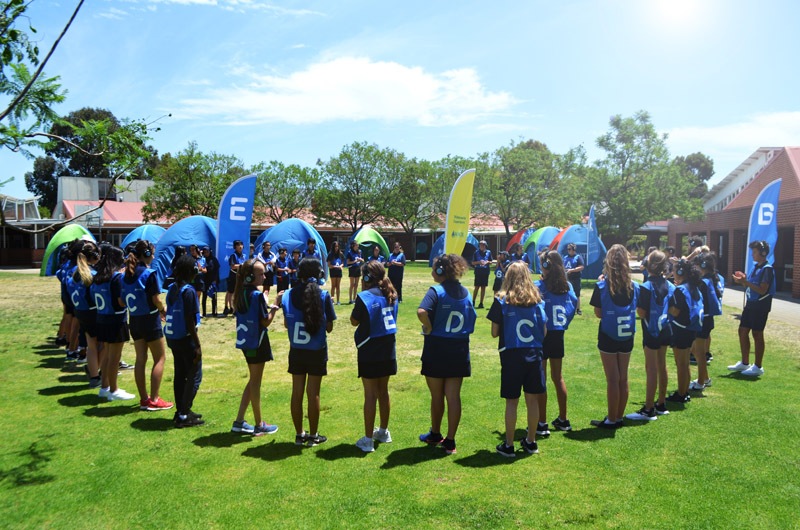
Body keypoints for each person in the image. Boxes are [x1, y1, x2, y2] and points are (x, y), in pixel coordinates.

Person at [416, 254, 476, 455]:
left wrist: (429, 327)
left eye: (434, 268)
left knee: (436, 396)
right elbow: (472, 318)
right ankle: (450, 441)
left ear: (441, 271)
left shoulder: (436, 291)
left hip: (437, 348)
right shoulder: (466, 292)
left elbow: (421, 312)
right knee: (453, 396)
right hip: (459, 349)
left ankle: (435, 433)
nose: (432, 272)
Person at [488, 261, 547, 457]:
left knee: (512, 401)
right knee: (532, 401)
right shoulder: (538, 301)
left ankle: (509, 445)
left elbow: (494, 333)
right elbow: (544, 331)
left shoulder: (501, 300)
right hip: (534, 354)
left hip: (512, 355)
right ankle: (531, 441)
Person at [280, 258, 336, 447]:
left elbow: (287, 323)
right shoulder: (323, 295)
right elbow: (329, 328)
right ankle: (313, 436)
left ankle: (299, 434)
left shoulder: (287, 295)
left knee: (297, 393)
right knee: (314, 394)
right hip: (316, 350)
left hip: (296, 350)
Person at [589, 244, 640, 428]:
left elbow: (598, 313)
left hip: (608, 335)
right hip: (627, 335)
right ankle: (618, 416)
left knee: (612, 378)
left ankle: (611, 419)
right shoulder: (634, 287)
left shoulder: (602, 286)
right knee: (623, 378)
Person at [350, 261, 398, 453]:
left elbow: (354, 321)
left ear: (367, 278)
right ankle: (384, 432)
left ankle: (368, 439)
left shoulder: (364, 297)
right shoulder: (391, 293)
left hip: (370, 349)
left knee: (370, 394)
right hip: (388, 349)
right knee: (383, 391)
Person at [121, 240, 174, 412]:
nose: (153, 255)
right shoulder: (149, 274)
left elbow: (122, 301)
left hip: (134, 321)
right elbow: (156, 300)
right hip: (150, 321)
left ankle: (144, 399)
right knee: (160, 358)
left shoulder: (126, 275)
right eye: (152, 252)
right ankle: (155, 399)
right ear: (147, 254)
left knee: (140, 359)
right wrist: (163, 309)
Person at [231, 259, 280, 436]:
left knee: (252, 381)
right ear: (250, 276)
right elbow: (265, 321)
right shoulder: (257, 295)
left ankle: (239, 421)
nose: (264, 276)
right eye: (261, 273)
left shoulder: (241, 292)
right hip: (257, 342)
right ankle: (259, 424)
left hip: (246, 341)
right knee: (255, 383)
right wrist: (275, 306)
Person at [625, 250, 674, 421]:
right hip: (665, 328)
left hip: (651, 330)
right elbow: (674, 309)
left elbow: (641, 312)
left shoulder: (645, 287)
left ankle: (648, 408)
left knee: (651, 368)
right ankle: (661, 403)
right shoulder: (670, 284)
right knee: (662, 365)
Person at [534, 250, 577, 433]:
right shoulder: (567, 286)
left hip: (543, 335)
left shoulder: (539, 285)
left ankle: (542, 422)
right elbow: (573, 304)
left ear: (546, 266)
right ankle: (563, 419)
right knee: (557, 377)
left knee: (542, 378)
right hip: (558, 335)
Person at [91, 244, 136, 401]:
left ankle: (105, 387)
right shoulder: (116, 277)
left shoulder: (97, 277)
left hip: (102, 318)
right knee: (114, 357)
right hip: (116, 319)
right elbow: (120, 302)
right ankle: (114, 389)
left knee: (107, 355)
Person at [164, 254, 205, 428]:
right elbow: (190, 321)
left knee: (180, 374)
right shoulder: (188, 291)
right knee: (194, 375)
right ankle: (183, 413)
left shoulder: (173, 288)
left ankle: (182, 410)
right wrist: (198, 344)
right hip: (185, 338)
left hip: (173, 337)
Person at [728, 240, 775, 377]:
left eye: (755, 252)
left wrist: (745, 282)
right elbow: (750, 286)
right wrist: (742, 280)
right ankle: (745, 362)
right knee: (742, 330)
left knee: (757, 334)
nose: (752, 254)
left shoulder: (767, 269)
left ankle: (758, 366)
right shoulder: (756, 267)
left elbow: (762, 290)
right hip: (751, 304)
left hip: (761, 305)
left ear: (763, 253)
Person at [666, 259, 704, 403]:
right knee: (685, 362)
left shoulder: (681, 289)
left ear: (681, 272)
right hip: (691, 329)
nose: (673, 273)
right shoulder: (692, 286)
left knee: (681, 363)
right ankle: (684, 391)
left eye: (674, 270)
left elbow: (675, 311)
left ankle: (681, 394)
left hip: (681, 328)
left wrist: (665, 306)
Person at [67, 240, 103, 388]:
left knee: (90, 345)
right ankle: (95, 372)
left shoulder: (75, 274)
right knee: (103, 344)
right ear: (93, 256)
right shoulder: (92, 275)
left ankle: (94, 375)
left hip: (80, 311)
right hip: (92, 312)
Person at [689, 251, 722, 390]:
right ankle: (706, 378)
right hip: (707, 320)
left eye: (696, 265)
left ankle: (701, 382)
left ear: (703, 265)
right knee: (696, 350)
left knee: (700, 353)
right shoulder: (709, 280)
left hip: (703, 320)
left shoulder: (703, 282)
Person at [224, 240, 246, 316]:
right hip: (233, 276)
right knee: (231, 292)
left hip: (241, 276)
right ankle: (232, 308)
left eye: (241, 245)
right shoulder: (233, 255)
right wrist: (242, 265)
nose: (240, 247)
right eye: (238, 245)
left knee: (239, 293)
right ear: (235, 247)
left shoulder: (243, 255)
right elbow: (233, 266)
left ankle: (238, 307)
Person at [563, 243, 585, 316]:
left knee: (576, 294)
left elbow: (581, 267)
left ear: (574, 250)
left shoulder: (578, 257)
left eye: (570, 249)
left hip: (575, 278)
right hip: (567, 278)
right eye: (568, 249)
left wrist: (572, 270)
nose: (568, 251)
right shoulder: (565, 257)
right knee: (566, 293)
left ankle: (578, 309)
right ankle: (567, 308)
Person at [471, 240, 493, 309]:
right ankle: (473, 301)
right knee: (477, 287)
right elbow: (472, 262)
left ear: (485, 246)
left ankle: (481, 302)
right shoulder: (476, 252)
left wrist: (487, 262)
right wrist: (479, 262)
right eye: (480, 245)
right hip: (478, 271)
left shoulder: (488, 252)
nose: (482, 246)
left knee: (483, 287)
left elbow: (491, 261)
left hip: (485, 271)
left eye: (483, 245)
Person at [201, 246, 220, 317]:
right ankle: (204, 312)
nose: (206, 254)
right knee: (204, 296)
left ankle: (214, 312)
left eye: (207, 252)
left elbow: (217, 270)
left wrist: (215, 280)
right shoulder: (202, 259)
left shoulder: (214, 259)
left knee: (214, 297)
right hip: (205, 281)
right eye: (204, 252)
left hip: (213, 280)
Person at [326, 241, 344, 305]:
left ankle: (338, 300)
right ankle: (332, 300)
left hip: (339, 271)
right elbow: (329, 265)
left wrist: (340, 266)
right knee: (333, 286)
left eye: (337, 246)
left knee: (338, 286)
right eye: (335, 246)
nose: (336, 248)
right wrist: (336, 266)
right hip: (333, 271)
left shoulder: (341, 254)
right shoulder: (330, 254)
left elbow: (342, 263)